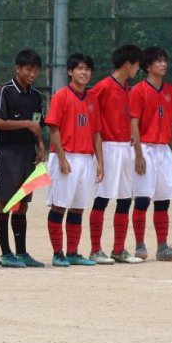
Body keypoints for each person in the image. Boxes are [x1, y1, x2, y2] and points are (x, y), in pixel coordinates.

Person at [44, 53, 103, 267]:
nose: (84, 72)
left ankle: (73, 252)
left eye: (87, 69)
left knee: (78, 207)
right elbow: (54, 129)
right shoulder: (61, 96)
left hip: (86, 159)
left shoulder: (92, 99)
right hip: (66, 156)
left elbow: (96, 133)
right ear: (70, 71)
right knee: (59, 205)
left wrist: (100, 162)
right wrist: (62, 158)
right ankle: (57, 253)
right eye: (79, 68)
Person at [0, 48, 45, 268]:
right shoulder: (5, 91)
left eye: (36, 70)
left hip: (28, 154)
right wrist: (26, 124)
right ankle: (6, 253)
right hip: (8, 153)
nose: (32, 74)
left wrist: (41, 146)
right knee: (5, 203)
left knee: (22, 204)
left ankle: (21, 252)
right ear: (18, 69)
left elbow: (37, 125)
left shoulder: (36, 96)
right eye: (29, 69)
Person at [86, 44, 143, 264]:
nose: (138, 69)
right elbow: (89, 115)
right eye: (137, 65)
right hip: (108, 147)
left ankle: (119, 249)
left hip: (124, 147)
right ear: (127, 64)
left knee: (125, 199)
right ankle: (95, 249)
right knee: (102, 198)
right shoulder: (103, 87)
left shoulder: (127, 87)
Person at [129, 47, 172, 261]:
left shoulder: (171, 91)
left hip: (164, 150)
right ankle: (139, 245)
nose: (163, 64)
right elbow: (133, 123)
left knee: (163, 200)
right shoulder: (138, 91)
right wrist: (138, 154)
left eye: (164, 60)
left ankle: (162, 247)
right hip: (145, 148)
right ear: (147, 66)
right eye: (158, 61)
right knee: (143, 198)